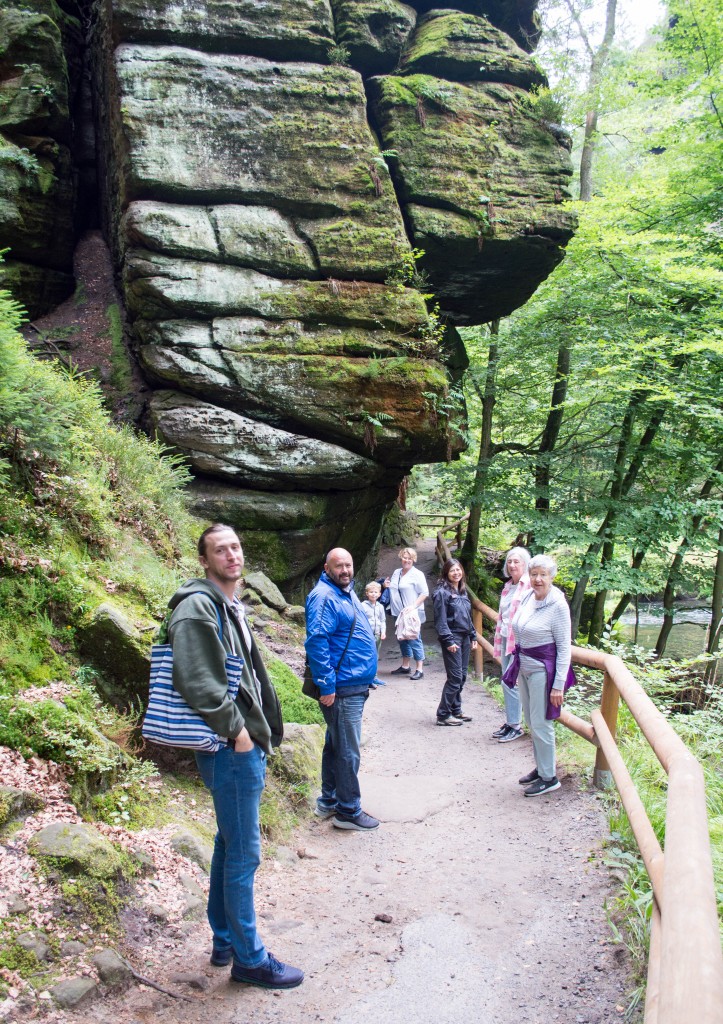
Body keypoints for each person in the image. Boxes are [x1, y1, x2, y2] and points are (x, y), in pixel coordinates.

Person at [167, 523, 303, 989]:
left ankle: (224, 940)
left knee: (228, 843)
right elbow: (196, 680)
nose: (231, 555)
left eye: (236, 547)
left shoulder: (227, 603)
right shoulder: (196, 608)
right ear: (204, 560)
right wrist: (240, 733)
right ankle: (250, 959)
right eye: (220, 550)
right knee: (244, 853)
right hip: (230, 748)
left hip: (238, 744)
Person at [305, 548, 380, 831]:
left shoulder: (343, 591)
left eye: (348, 565)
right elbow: (317, 641)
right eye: (339, 566)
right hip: (341, 687)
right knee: (348, 749)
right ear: (327, 567)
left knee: (336, 744)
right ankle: (348, 810)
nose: (345, 570)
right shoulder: (324, 597)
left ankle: (331, 799)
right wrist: (326, 685)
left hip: (352, 682)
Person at [504, 554, 575, 798]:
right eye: (534, 574)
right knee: (532, 722)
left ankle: (549, 777)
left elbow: (564, 647)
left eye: (543, 575)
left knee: (542, 723)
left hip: (543, 672)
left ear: (552, 577)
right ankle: (542, 767)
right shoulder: (527, 597)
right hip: (523, 666)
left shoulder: (558, 605)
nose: (537, 579)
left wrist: (558, 686)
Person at [492, 546, 532, 743]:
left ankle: (516, 725)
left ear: (525, 564)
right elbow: (503, 615)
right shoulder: (509, 586)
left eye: (517, 561)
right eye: (510, 561)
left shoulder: (529, 586)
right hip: (507, 639)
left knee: (511, 682)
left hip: (520, 643)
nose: (512, 565)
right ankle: (511, 722)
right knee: (506, 681)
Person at [433, 558, 478, 726]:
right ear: (446, 573)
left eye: (458, 569)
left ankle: (456, 709)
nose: (456, 573)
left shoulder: (462, 591)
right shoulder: (441, 593)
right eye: (452, 570)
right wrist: (448, 640)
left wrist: (473, 635)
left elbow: (467, 616)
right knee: (455, 677)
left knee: (463, 675)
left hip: (465, 637)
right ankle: (443, 715)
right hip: (452, 637)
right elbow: (441, 620)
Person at [385, 547, 429, 679]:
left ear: (414, 559)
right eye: (405, 557)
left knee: (414, 638)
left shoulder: (417, 574)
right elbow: (393, 588)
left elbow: (425, 593)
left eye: (410, 558)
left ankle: (420, 669)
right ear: (401, 558)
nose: (407, 560)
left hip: (411, 613)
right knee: (402, 638)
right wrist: (386, 585)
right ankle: (405, 666)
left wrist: (413, 606)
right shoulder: (396, 572)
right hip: (397, 612)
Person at [361, 581, 386, 688]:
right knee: (367, 656)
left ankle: (374, 677)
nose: (373, 594)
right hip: (367, 635)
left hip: (377, 634)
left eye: (376, 592)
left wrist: (383, 632)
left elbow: (383, 620)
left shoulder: (380, 607)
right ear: (367, 593)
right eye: (371, 592)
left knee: (375, 656)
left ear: (379, 594)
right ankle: (366, 678)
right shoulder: (363, 606)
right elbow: (361, 621)